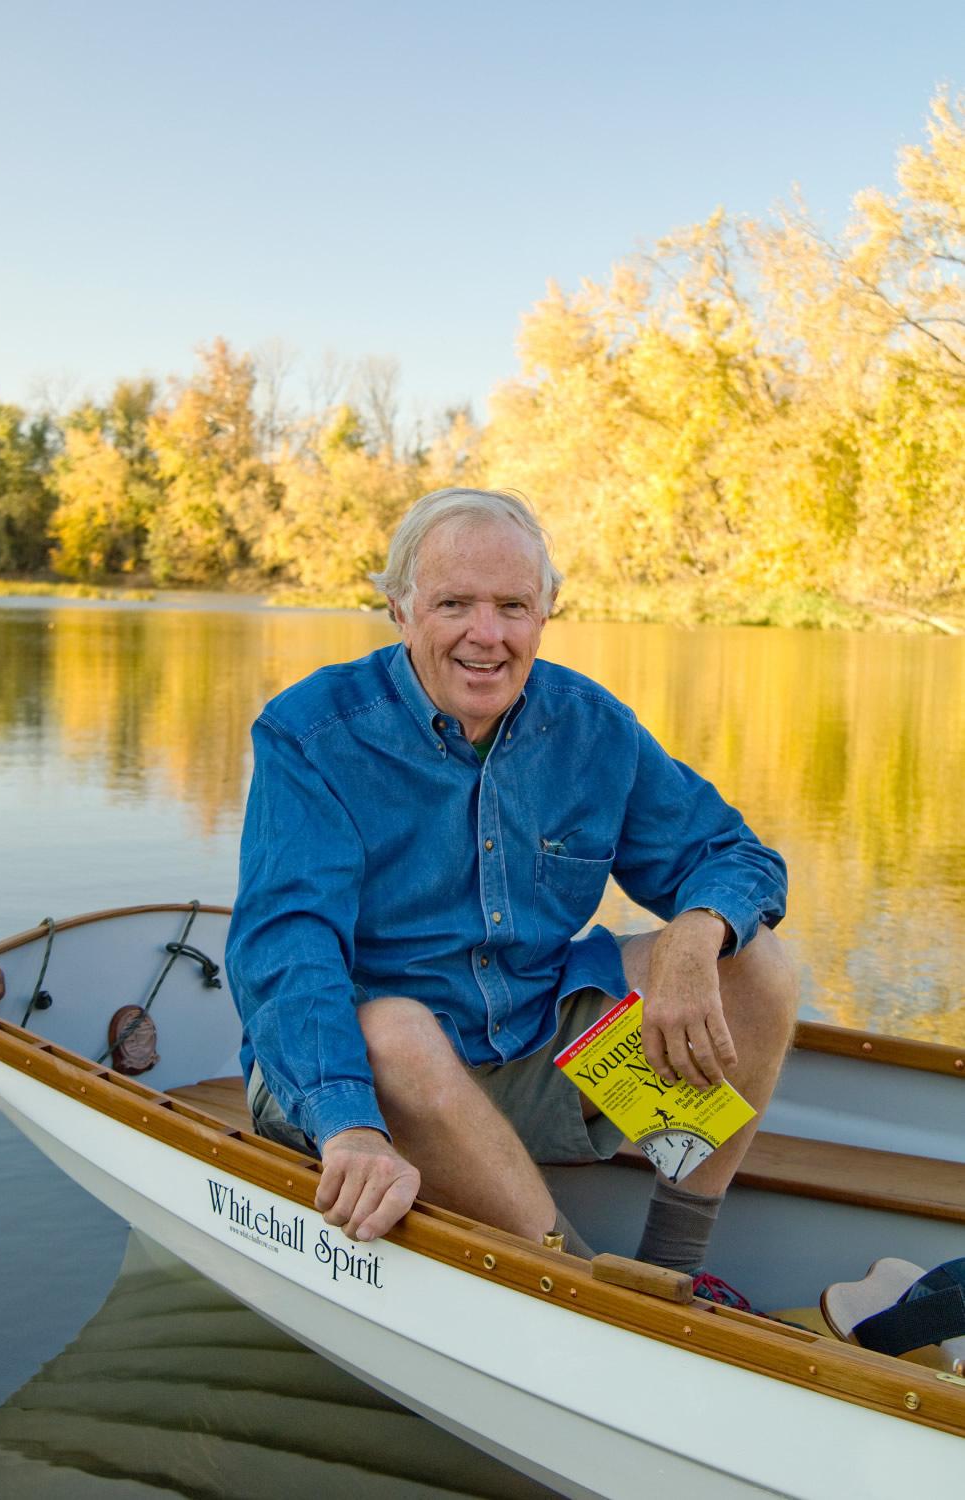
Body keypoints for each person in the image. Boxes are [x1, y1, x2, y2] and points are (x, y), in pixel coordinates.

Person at [226, 487, 797, 1285]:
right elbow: (287, 949)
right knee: (395, 1032)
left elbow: (735, 856)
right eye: (454, 604)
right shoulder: (313, 733)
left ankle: (675, 1266)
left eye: (512, 606)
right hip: (361, 1090)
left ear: (545, 614)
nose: (486, 635)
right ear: (400, 611)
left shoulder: (591, 727)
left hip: (524, 1052)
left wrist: (697, 933)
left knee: (753, 965)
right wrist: (348, 1126)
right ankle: (578, 1283)